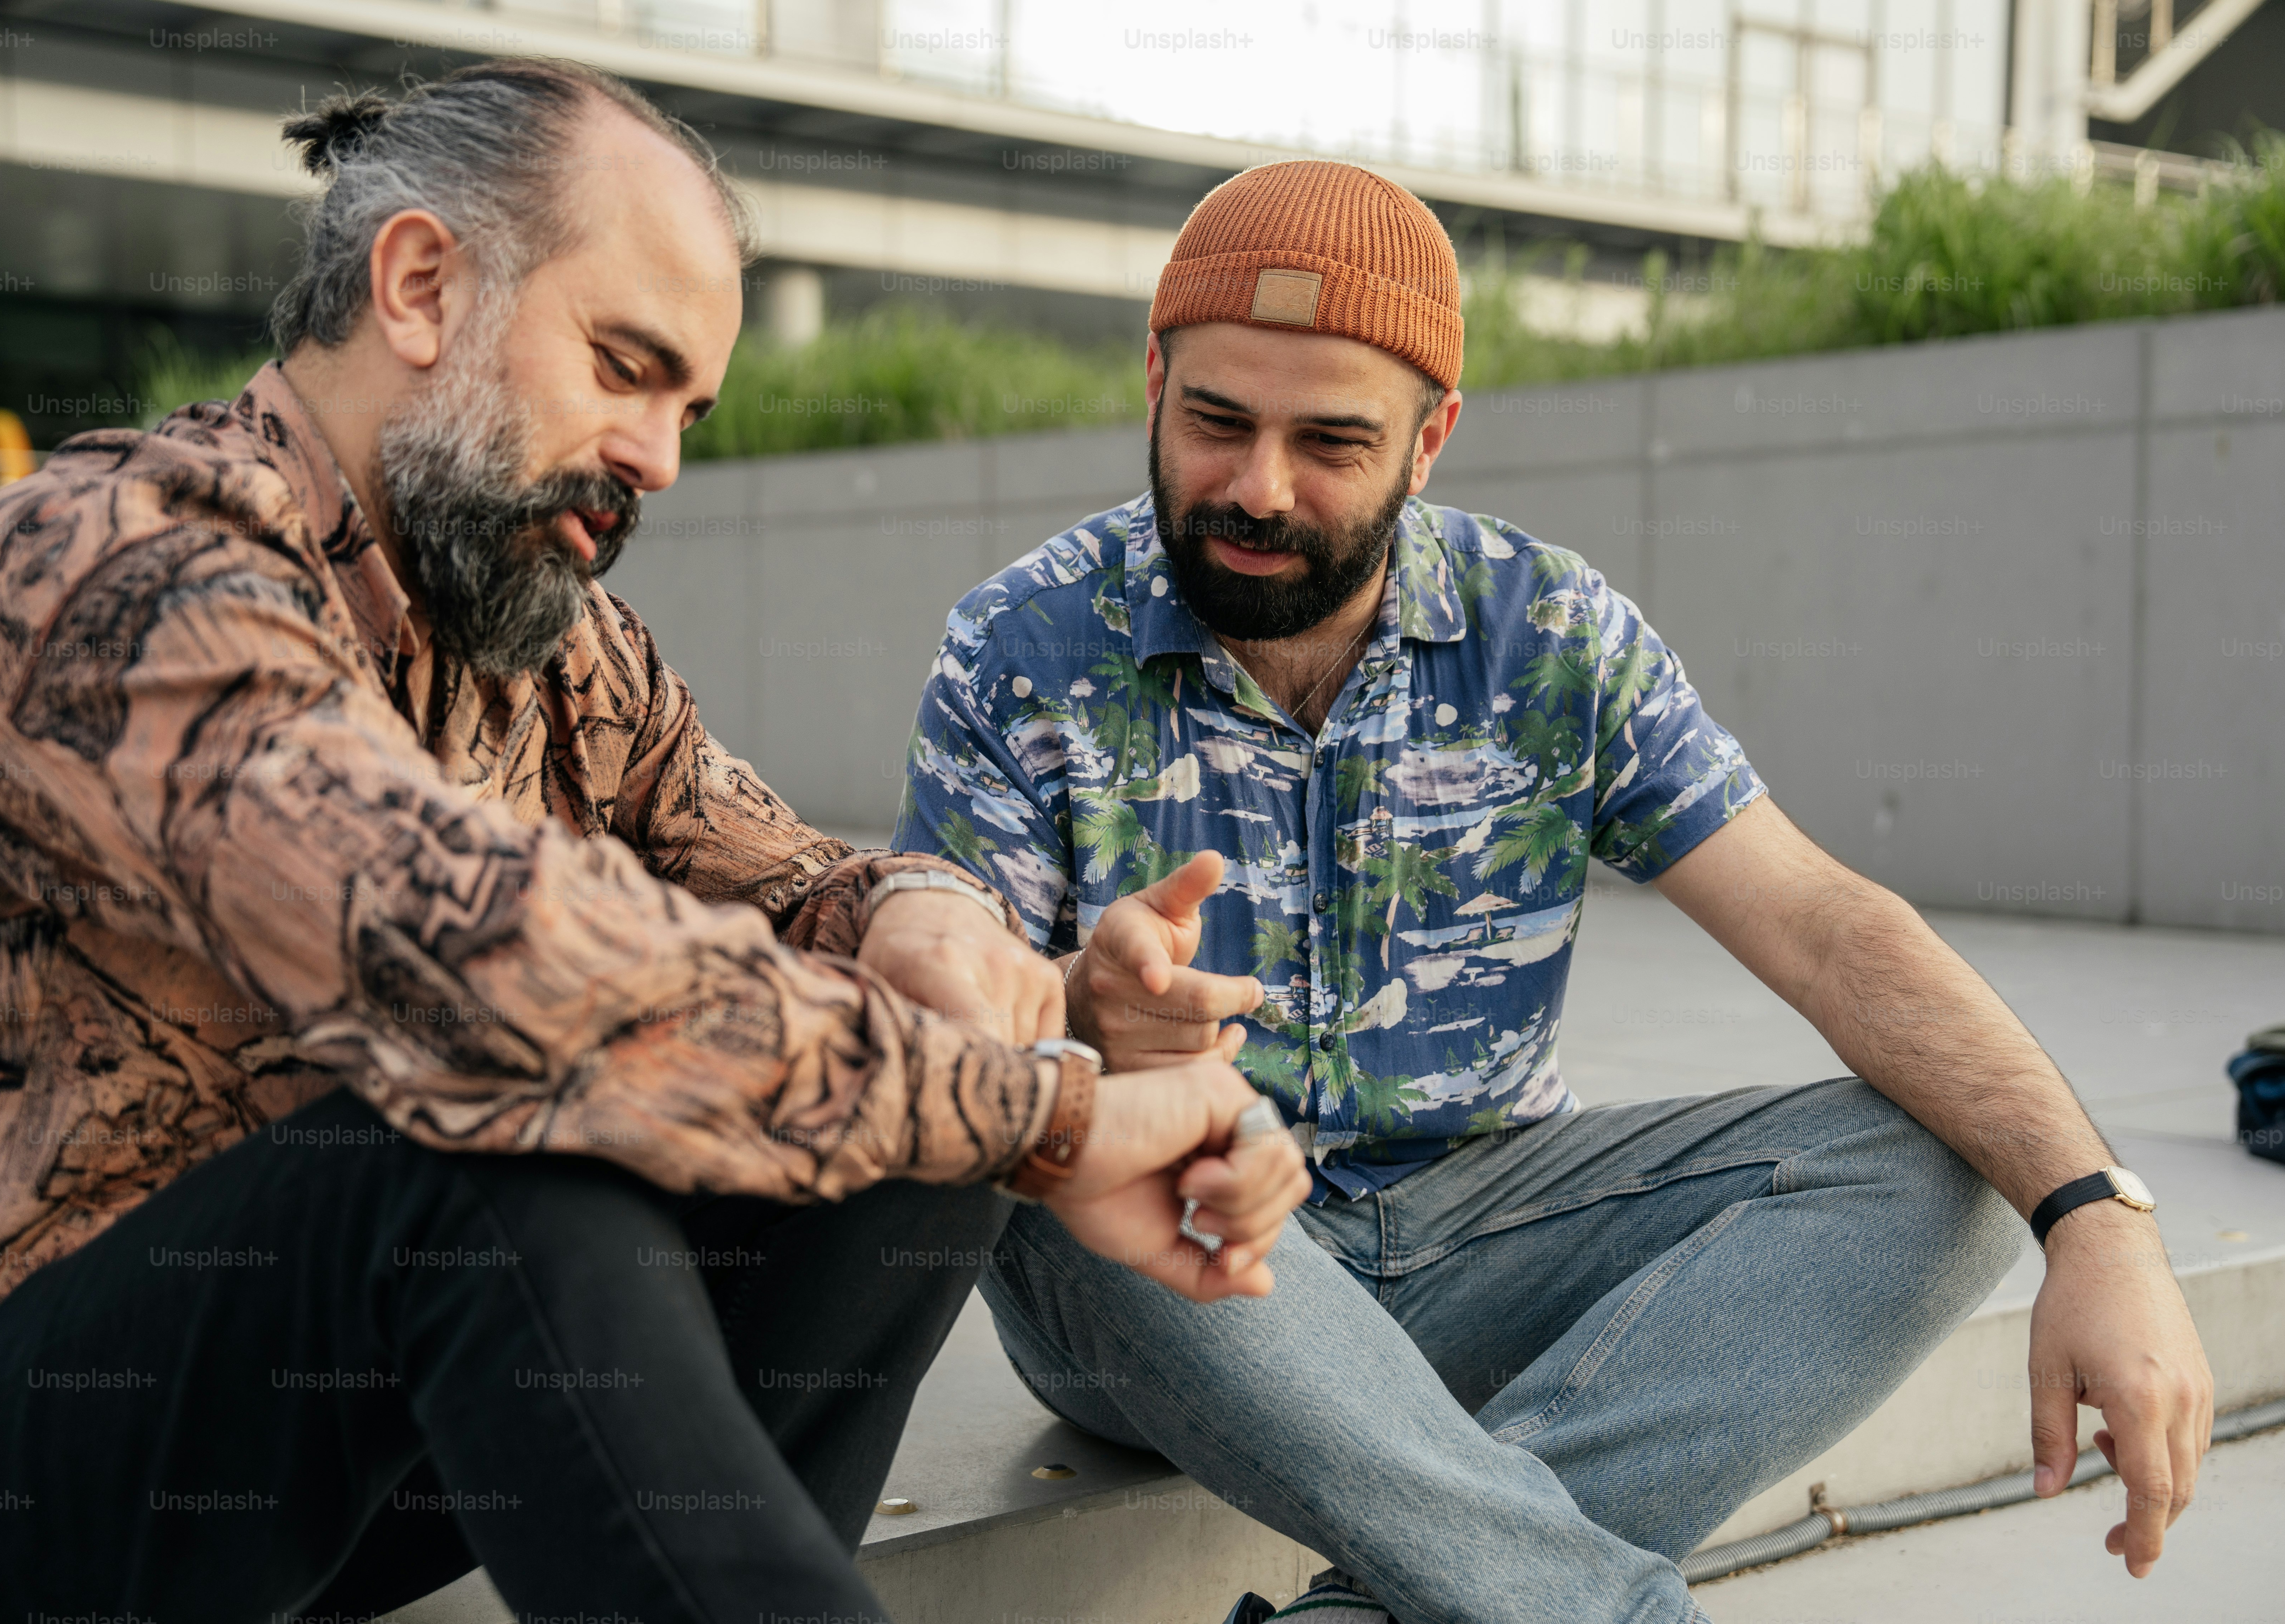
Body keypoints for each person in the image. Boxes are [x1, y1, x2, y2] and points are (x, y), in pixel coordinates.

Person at [0, 60, 1307, 1624]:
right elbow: (484, 967)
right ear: (419, 286)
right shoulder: (109, 573)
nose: (660, 460)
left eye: (686, 408)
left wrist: (922, 919)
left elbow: (780, 863)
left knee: (899, 1038)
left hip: (312, 1457)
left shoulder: (544, 642)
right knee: (473, 1147)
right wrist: (1049, 1118)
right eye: (624, 366)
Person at [897, 159, 2213, 1624]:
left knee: (1945, 1162)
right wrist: (1076, 1008)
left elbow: (1825, 930)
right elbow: (942, 1031)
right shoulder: (1019, 646)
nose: (1257, 488)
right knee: (1045, 1168)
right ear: (1151, 380)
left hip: (1482, 1238)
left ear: (1430, 439)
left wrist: (2098, 1217)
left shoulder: (1551, 633)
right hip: (1168, 1265)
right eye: (1215, 421)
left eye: (1330, 440)